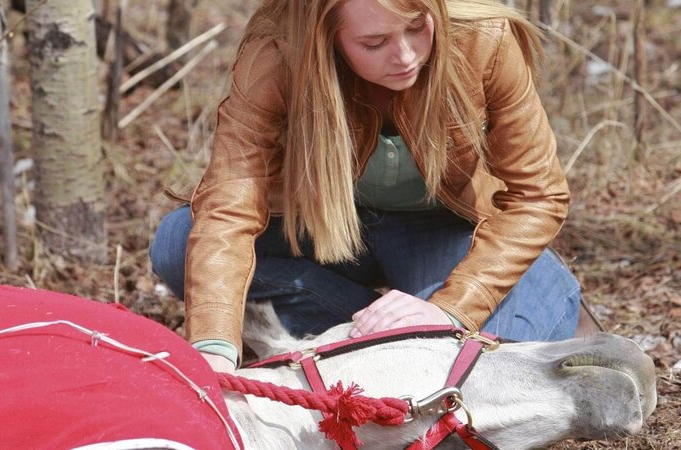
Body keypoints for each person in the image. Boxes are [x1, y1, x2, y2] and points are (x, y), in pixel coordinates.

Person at [151, 0, 583, 373]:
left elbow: (537, 196)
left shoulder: (482, 37)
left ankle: (403, 330)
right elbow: (229, 203)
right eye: (374, 43)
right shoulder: (278, 53)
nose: (406, 56)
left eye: (417, 26)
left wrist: (451, 308)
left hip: (446, 231)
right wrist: (213, 347)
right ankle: (382, 332)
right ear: (326, 38)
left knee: (486, 361)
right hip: (329, 227)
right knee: (178, 242)